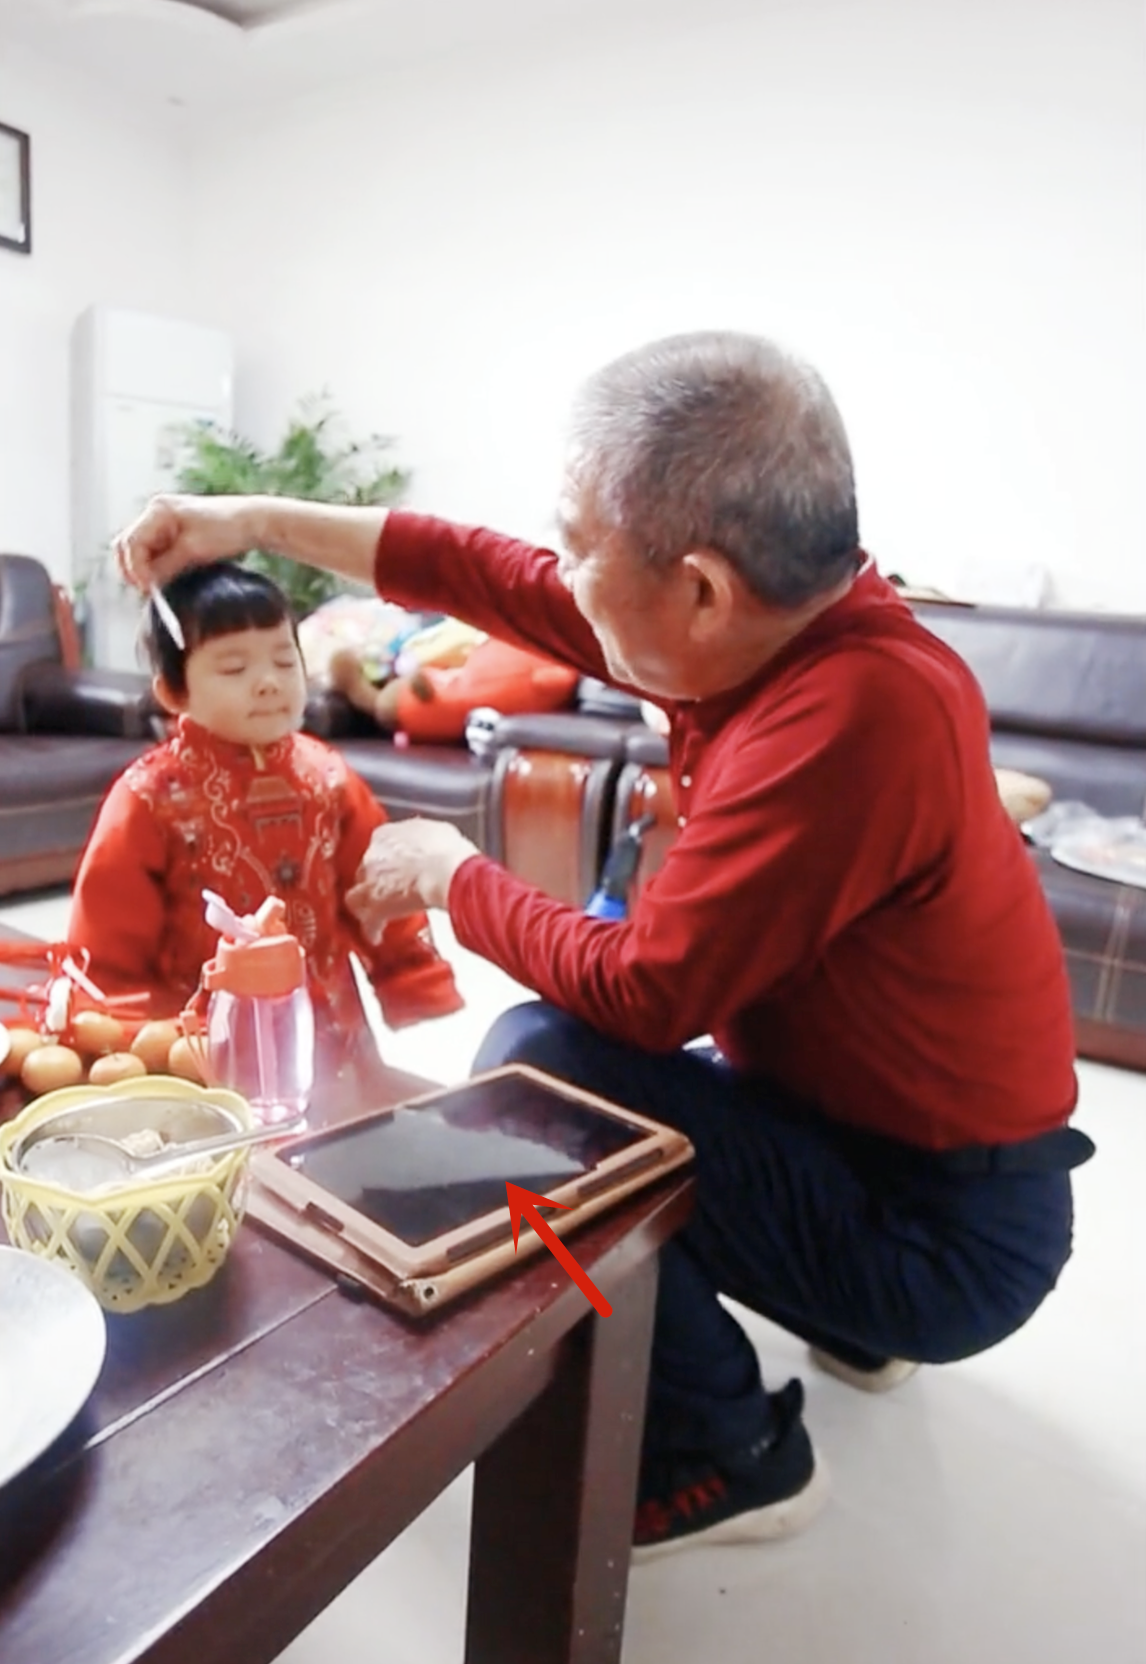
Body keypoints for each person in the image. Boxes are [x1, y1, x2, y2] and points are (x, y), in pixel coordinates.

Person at [113, 331, 1092, 1561]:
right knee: (575, 1049)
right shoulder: (776, 628)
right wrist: (238, 518)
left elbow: (645, 995)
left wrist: (453, 875)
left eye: (580, 545)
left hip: (947, 1236)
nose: (558, 574)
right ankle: (841, 1306)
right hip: (877, 1142)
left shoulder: (850, 715)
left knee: (545, 1060)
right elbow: (474, 568)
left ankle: (728, 1449)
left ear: (699, 588)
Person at [68, 560, 462, 1035]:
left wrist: (415, 981)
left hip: (326, 1029)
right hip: (191, 1041)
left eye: (283, 660)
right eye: (235, 667)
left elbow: (380, 889)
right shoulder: (148, 798)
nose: (268, 681)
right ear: (174, 691)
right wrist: (112, 1031)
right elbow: (107, 939)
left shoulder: (329, 777)